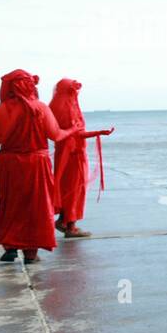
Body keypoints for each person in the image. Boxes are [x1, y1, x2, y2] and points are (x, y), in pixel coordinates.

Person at [0, 70, 111, 263]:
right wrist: (72, 129)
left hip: (10, 165)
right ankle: (30, 254)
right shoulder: (40, 108)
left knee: (10, 205)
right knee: (36, 208)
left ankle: (10, 247)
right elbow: (56, 135)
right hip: (36, 164)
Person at [49, 78, 113, 237]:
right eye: (74, 91)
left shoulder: (54, 107)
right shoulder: (68, 108)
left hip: (62, 154)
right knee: (75, 189)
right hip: (73, 155)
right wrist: (98, 133)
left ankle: (64, 220)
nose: (76, 94)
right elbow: (76, 133)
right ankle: (70, 226)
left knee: (67, 188)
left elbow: (55, 133)